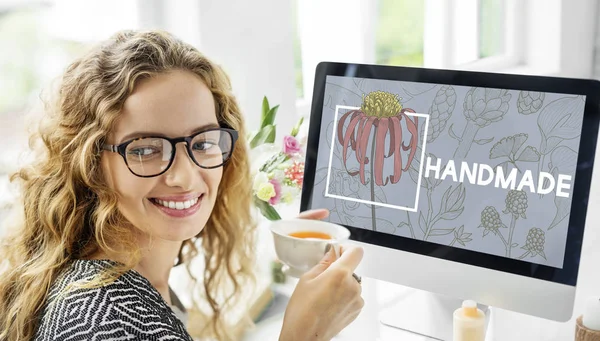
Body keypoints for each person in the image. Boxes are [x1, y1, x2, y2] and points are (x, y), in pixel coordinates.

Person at [0, 30, 364, 341]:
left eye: (203, 142)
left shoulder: (129, 282)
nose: (185, 177)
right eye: (145, 149)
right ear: (90, 162)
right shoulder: (107, 319)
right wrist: (303, 334)